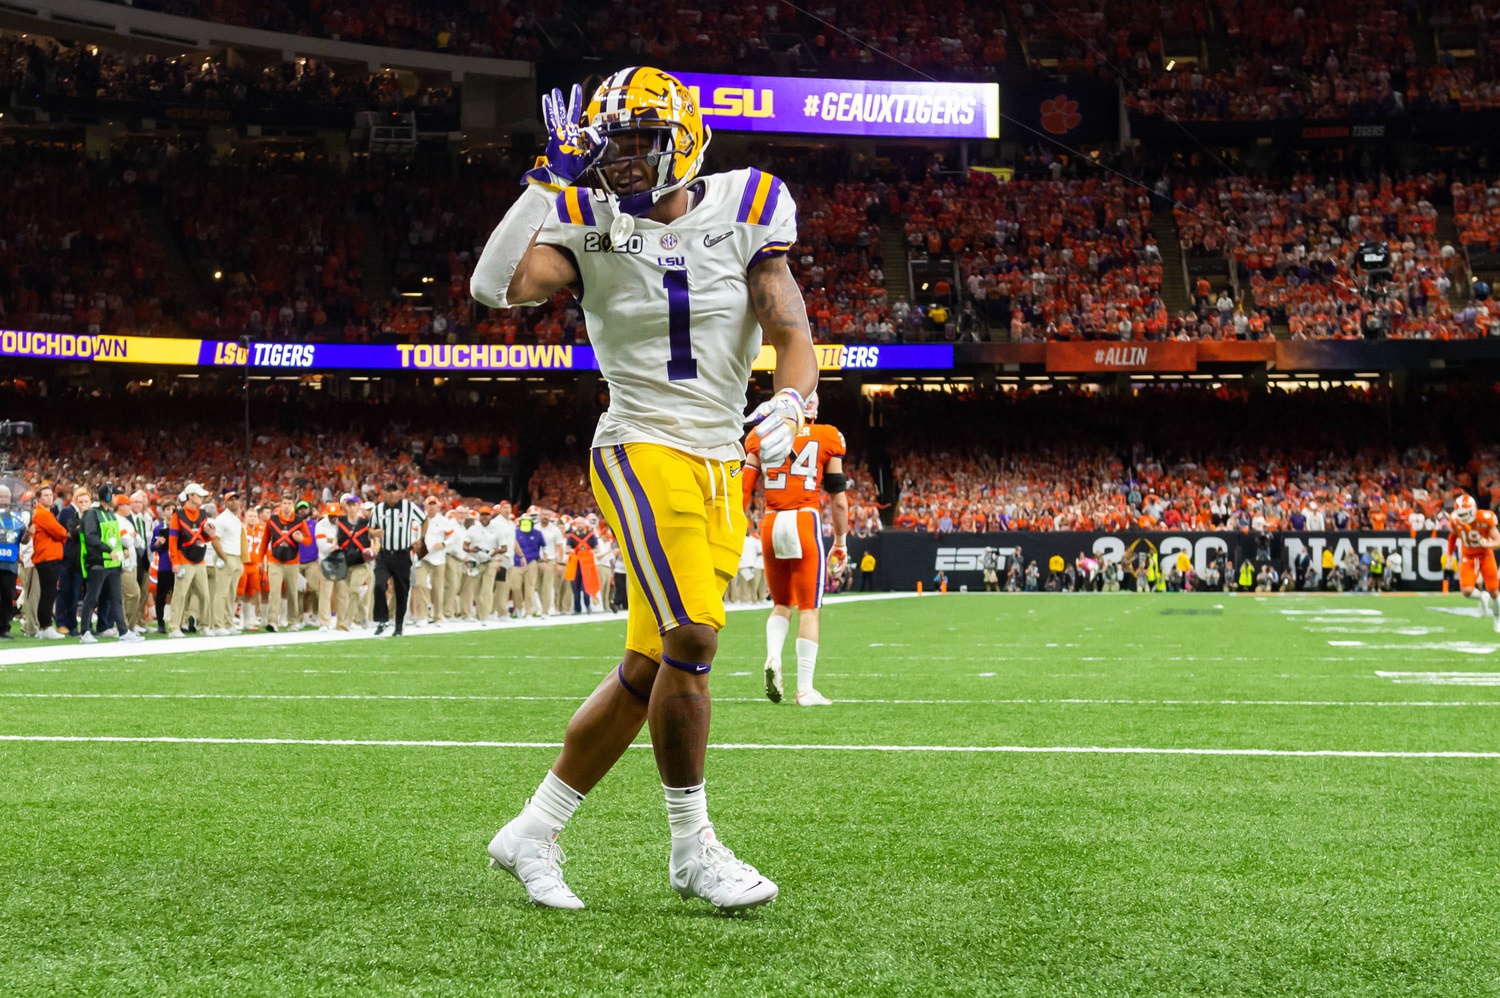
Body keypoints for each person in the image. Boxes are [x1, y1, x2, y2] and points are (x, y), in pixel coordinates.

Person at [472, 70, 816, 911]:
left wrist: (795, 403)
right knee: (693, 635)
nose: (621, 162)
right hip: (637, 446)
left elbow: (791, 329)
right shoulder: (583, 218)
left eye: (637, 143)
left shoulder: (747, 205)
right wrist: (544, 181)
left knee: (649, 663)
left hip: (718, 465)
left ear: (685, 141)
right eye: (610, 145)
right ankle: (693, 849)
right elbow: (492, 287)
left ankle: (532, 831)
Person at [742, 390, 848, 706]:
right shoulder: (827, 436)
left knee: (781, 603)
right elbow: (838, 500)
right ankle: (805, 689)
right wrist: (840, 542)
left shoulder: (757, 437)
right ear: (812, 409)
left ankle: (774, 657)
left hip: (771, 521)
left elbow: (744, 491)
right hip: (804, 520)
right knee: (809, 608)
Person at [78, 486, 138, 643]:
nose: (117, 499)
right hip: (98, 562)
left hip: (113, 562)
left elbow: (114, 536)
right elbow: (91, 537)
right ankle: (85, 631)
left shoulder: (110, 514)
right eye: (115, 496)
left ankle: (123, 631)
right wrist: (108, 549)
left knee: (116, 599)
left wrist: (123, 548)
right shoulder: (92, 514)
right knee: (92, 598)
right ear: (108, 497)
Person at [368, 483, 425, 637]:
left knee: (402, 592)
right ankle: (383, 620)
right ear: (383, 493)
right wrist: (375, 532)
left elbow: (424, 520)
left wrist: (421, 539)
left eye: (395, 491)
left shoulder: (408, 506)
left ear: (400, 493)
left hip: (402, 555)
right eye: (389, 491)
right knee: (379, 585)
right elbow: (370, 528)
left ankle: (399, 626)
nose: (392, 494)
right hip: (384, 555)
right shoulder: (378, 509)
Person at [1448, 494, 1500, 632]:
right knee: (1466, 591)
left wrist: (1489, 543)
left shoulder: (1485, 518)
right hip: (1468, 556)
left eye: (1466, 513)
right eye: (1461, 514)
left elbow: (1498, 541)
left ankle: (1497, 618)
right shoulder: (1455, 520)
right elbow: (1452, 536)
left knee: (1494, 591)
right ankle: (1482, 596)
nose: (1463, 517)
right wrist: (1449, 555)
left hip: (1485, 556)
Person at [261, 496, 312, 632]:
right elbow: (265, 541)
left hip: (292, 561)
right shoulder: (273, 520)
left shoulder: (299, 521)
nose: (287, 506)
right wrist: (261, 559)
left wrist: (301, 538)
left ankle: (292, 621)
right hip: (275, 561)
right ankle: (272, 621)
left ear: (292, 505)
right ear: (280, 504)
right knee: (274, 591)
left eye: (289, 503)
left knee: (292, 592)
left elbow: (308, 540)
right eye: (284, 503)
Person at [169, 484, 214, 637]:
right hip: (184, 560)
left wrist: (210, 535)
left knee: (205, 595)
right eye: (199, 495)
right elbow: (173, 540)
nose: (201, 498)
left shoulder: (202, 514)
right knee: (180, 594)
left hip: (199, 560)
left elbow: (203, 536)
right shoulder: (178, 515)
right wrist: (175, 561)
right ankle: (174, 626)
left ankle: (205, 625)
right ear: (190, 496)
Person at [334, 496, 374, 632]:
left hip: (361, 563)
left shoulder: (366, 523)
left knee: (353, 590)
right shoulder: (340, 522)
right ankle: (363, 616)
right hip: (345, 563)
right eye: (349, 505)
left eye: (354, 505)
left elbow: (375, 541)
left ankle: (347, 621)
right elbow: (335, 539)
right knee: (354, 592)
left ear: (359, 507)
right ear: (345, 506)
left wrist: (373, 550)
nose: (351, 508)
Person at [55, 486, 89, 635]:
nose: (83, 503)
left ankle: (73, 623)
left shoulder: (88, 515)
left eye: (85, 500)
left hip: (80, 557)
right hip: (67, 556)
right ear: (75, 499)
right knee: (64, 590)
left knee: (75, 592)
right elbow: (72, 533)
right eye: (80, 500)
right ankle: (62, 622)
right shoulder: (67, 512)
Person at [209, 493, 246, 636]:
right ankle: (218, 624)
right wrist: (224, 557)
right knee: (221, 593)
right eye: (231, 500)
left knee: (231, 594)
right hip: (226, 556)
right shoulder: (222, 519)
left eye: (237, 499)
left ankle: (227, 622)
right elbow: (214, 539)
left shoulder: (236, 519)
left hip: (235, 557)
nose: (235, 502)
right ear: (225, 503)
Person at [412, 496, 452, 626]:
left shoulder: (444, 521)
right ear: (425, 506)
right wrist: (415, 543)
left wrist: (443, 544)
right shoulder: (418, 519)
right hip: (422, 557)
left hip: (438, 558)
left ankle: (438, 616)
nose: (432, 507)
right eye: (429, 504)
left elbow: (452, 537)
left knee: (438, 588)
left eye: (434, 504)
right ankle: (422, 616)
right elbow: (412, 535)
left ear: (438, 506)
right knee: (421, 585)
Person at [114, 494, 144, 635]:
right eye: (127, 504)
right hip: (123, 562)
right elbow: (127, 541)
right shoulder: (116, 520)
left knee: (127, 596)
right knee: (133, 593)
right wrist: (131, 537)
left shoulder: (127, 521)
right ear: (120, 506)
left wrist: (131, 537)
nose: (130, 506)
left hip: (132, 562)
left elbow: (139, 542)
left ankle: (126, 626)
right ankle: (127, 626)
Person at [0, 484, 25, 639]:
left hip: (9, 563)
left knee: (8, 596)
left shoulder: (16, 519)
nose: (3, 499)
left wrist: (29, 533)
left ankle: (4, 627)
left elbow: (23, 539)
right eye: (1, 496)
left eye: (6, 497)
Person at [150, 501, 176, 634]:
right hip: (165, 565)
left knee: (178, 595)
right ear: (163, 511)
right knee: (161, 595)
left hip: (178, 565)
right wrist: (158, 543)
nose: (171, 511)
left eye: (173, 509)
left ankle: (178, 622)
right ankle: (160, 623)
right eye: (168, 508)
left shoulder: (180, 527)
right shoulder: (159, 528)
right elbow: (152, 547)